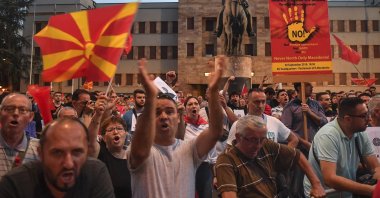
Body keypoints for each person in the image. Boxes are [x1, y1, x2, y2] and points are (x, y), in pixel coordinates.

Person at [128, 58, 225, 197]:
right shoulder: (141, 149)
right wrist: (150, 98)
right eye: (157, 112)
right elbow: (139, 153)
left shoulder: (189, 149)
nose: (163, 116)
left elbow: (215, 131)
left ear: (179, 118)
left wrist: (214, 92)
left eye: (169, 111)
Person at [0, 118, 115, 198]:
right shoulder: (15, 183)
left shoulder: (95, 173)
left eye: (77, 152)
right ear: (40, 153)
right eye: (57, 153)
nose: (68, 164)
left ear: (87, 152)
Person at [215, 115, 325, 198]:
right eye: (253, 140)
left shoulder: (266, 144)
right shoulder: (226, 160)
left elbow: (298, 155)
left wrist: (316, 184)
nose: (258, 145)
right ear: (238, 137)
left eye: (262, 139)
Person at [304, 97, 380, 197]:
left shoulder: (360, 132)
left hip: (346, 193)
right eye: (364, 116)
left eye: (368, 114)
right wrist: (370, 190)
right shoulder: (328, 136)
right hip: (324, 194)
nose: (369, 119)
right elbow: (330, 178)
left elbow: (375, 166)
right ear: (348, 119)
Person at [88, 97, 132, 198]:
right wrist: (98, 114)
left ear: (125, 134)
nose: (116, 132)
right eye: (111, 129)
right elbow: (90, 140)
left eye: (120, 129)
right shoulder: (100, 152)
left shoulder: (132, 158)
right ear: (103, 137)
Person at [227, 88, 299, 148]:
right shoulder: (238, 125)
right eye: (256, 102)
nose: (260, 105)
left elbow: (294, 139)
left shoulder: (274, 122)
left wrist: (283, 158)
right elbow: (229, 148)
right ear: (247, 102)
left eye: (263, 102)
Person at [0, 93, 39, 178]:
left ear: (31, 116)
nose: (16, 113)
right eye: (9, 109)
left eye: (22, 110)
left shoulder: (40, 149)